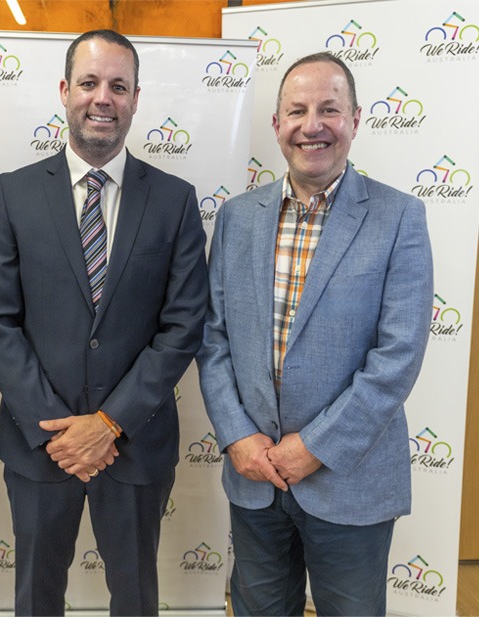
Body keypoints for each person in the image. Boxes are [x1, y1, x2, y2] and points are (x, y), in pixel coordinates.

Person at [0, 29, 207, 616]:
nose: (103, 97)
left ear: (134, 99)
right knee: (35, 596)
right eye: (89, 82)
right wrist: (61, 432)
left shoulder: (176, 200)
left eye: (118, 86)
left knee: (134, 597)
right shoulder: (12, 194)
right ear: (64, 90)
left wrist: (109, 422)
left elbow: (182, 326)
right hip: (40, 446)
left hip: (135, 444)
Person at [197, 52, 433, 616]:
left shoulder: (400, 217)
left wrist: (314, 448)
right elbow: (213, 339)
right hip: (255, 479)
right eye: (297, 110)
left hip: (349, 480)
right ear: (277, 125)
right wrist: (237, 438)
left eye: (329, 109)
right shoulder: (236, 217)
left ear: (355, 118)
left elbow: (397, 357)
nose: (313, 125)